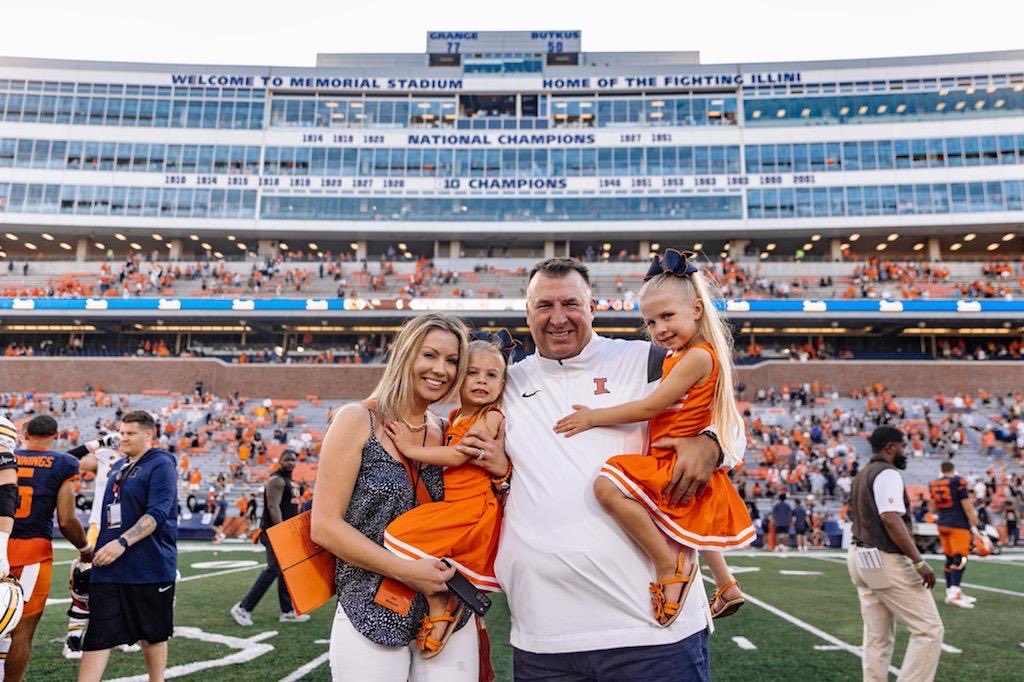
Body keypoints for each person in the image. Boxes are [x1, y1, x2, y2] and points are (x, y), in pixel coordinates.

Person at [459, 258, 743, 681]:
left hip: (651, 632)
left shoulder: (647, 358)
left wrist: (714, 445)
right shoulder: (503, 383)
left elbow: (727, 419)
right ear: (527, 313)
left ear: (593, 306)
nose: (558, 318)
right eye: (544, 306)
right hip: (544, 634)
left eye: (571, 303)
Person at [552, 250, 753, 624]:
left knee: (607, 487)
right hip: (671, 455)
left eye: (667, 316)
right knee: (688, 521)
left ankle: (669, 565)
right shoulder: (678, 356)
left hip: (672, 460)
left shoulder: (696, 356)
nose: (659, 328)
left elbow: (650, 408)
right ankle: (726, 586)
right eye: (650, 321)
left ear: (696, 309)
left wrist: (594, 417)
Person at [312, 313, 500, 681]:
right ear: (404, 354)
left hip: (446, 612)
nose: (441, 370)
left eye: (452, 361)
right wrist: (408, 571)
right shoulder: (356, 419)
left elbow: (476, 501)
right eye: (429, 355)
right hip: (371, 603)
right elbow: (325, 527)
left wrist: (502, 468)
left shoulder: (448, 431)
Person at [383, 333, 511, 656]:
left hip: (471, 508)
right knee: (412, 549)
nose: (482, 381)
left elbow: (457, 456)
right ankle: (445, 602)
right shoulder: (454, 417)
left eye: (492, 375)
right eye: (473, 372)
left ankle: (440, 605)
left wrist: (409, 449)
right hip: (454, 506)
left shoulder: (490, 416)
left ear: (502, 384)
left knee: (400, 537)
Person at [78, 410, 178, 682]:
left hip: (149, 566)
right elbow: (67, 463)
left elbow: (158, 513)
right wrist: (94, 445)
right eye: (122, 432)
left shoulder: (161, 464)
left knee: (152, 635)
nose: (124, 438)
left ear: (149, 434)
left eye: (131, 433)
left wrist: (122, 543)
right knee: (98, 634)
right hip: (108, 567)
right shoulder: (119, 465)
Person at [847, 426, 943, 682]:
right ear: (890, 447)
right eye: (902, 446)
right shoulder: (887, 473)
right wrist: (919, 561)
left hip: (859, 555)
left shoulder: (862, 474)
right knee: (929, 629)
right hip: (883, 558)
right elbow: (890, 518)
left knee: (877, 636)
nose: (905, 451)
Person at [1, 416, 92, 681]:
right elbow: (66, 520)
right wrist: (85, 548)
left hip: (1, 540)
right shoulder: (63, 463)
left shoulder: (7, 457)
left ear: (25, 433)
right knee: (21, 631)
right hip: (32, 552)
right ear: (57, 434)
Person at [231, 450, 310, 626]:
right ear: (280, 460)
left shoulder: (290, 481)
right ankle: (243, 608)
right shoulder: (277, 480)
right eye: (287, 459)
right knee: (273, 569)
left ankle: (287, 611)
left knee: (285, 571)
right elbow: (273, 507)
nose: (290, 462)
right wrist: (282, 531)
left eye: (293, 459)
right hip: (273, 532)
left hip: (285, 532)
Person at [928, 460, 981, 608]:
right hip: (958, 525)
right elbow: (966, 505)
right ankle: (954, 593)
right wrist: (976, 522)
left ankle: (950, 591)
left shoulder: (934, 483)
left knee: (950, 558)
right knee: (960, 558)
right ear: (953, 469)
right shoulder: (958, 481)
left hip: (943, 524)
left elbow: (932, 508)